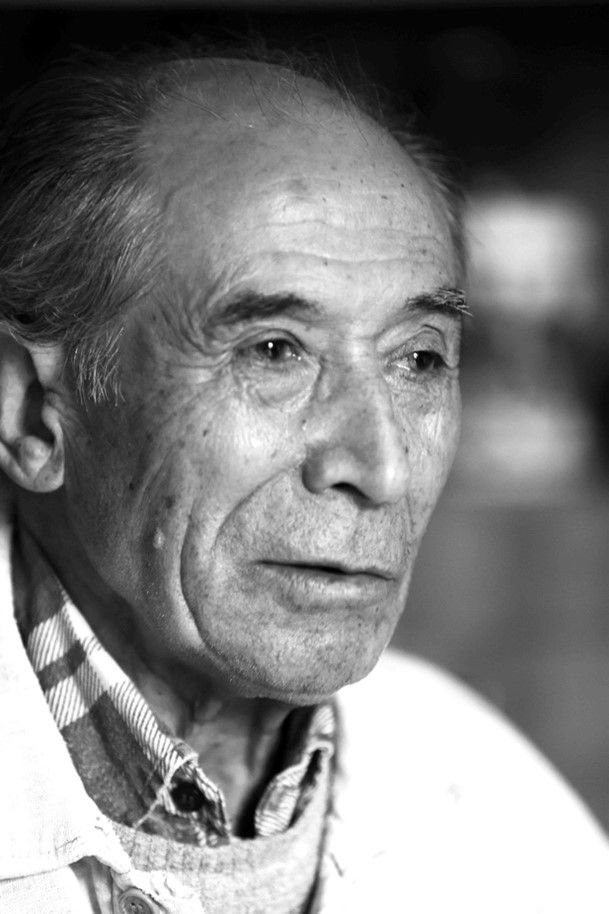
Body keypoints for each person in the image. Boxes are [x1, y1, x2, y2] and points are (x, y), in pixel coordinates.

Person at [0, 44, 605, 914]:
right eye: (274, 351)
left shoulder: (498, 809)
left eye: (419, 359)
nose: (381, 468)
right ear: (31, 412)